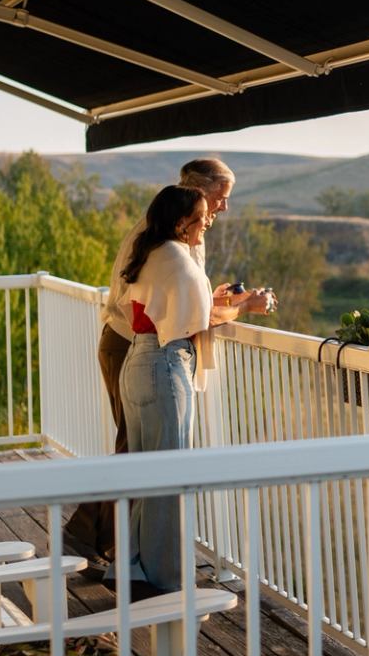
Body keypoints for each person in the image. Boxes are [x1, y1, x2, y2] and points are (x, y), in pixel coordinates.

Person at [63, 157, 234, 567]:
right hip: (135, 345)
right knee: (137, 452)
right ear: (197, 192)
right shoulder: (168, 237)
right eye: (221, 198)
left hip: (134, 342)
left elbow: (178, 299)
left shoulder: (170, 231)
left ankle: (115, 547)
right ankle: (88, 538)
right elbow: (189, 312)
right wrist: (242, 306)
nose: (223, 208)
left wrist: (218, 299)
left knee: (137, 450)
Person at [114, 184, 273, 590]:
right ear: (182, 222)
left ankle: (131, 566)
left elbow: (174, 308)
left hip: (137, 362)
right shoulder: (179, 261)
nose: (207, 224)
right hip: (165, 365)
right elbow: (197, 321)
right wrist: (244, 305)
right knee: (170, 477)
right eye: (201, 217)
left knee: (146, 476)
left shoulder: (153, 253)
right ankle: (168, 581)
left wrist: (213, 297)